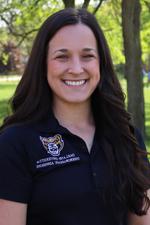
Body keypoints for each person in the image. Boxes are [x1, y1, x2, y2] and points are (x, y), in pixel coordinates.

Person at [0, 7, 149, 225]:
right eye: (62, 57)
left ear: (101, 64)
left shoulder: (127, 137)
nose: (76, 68)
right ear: (42, 65)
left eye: (87, 56)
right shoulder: (14, 144)